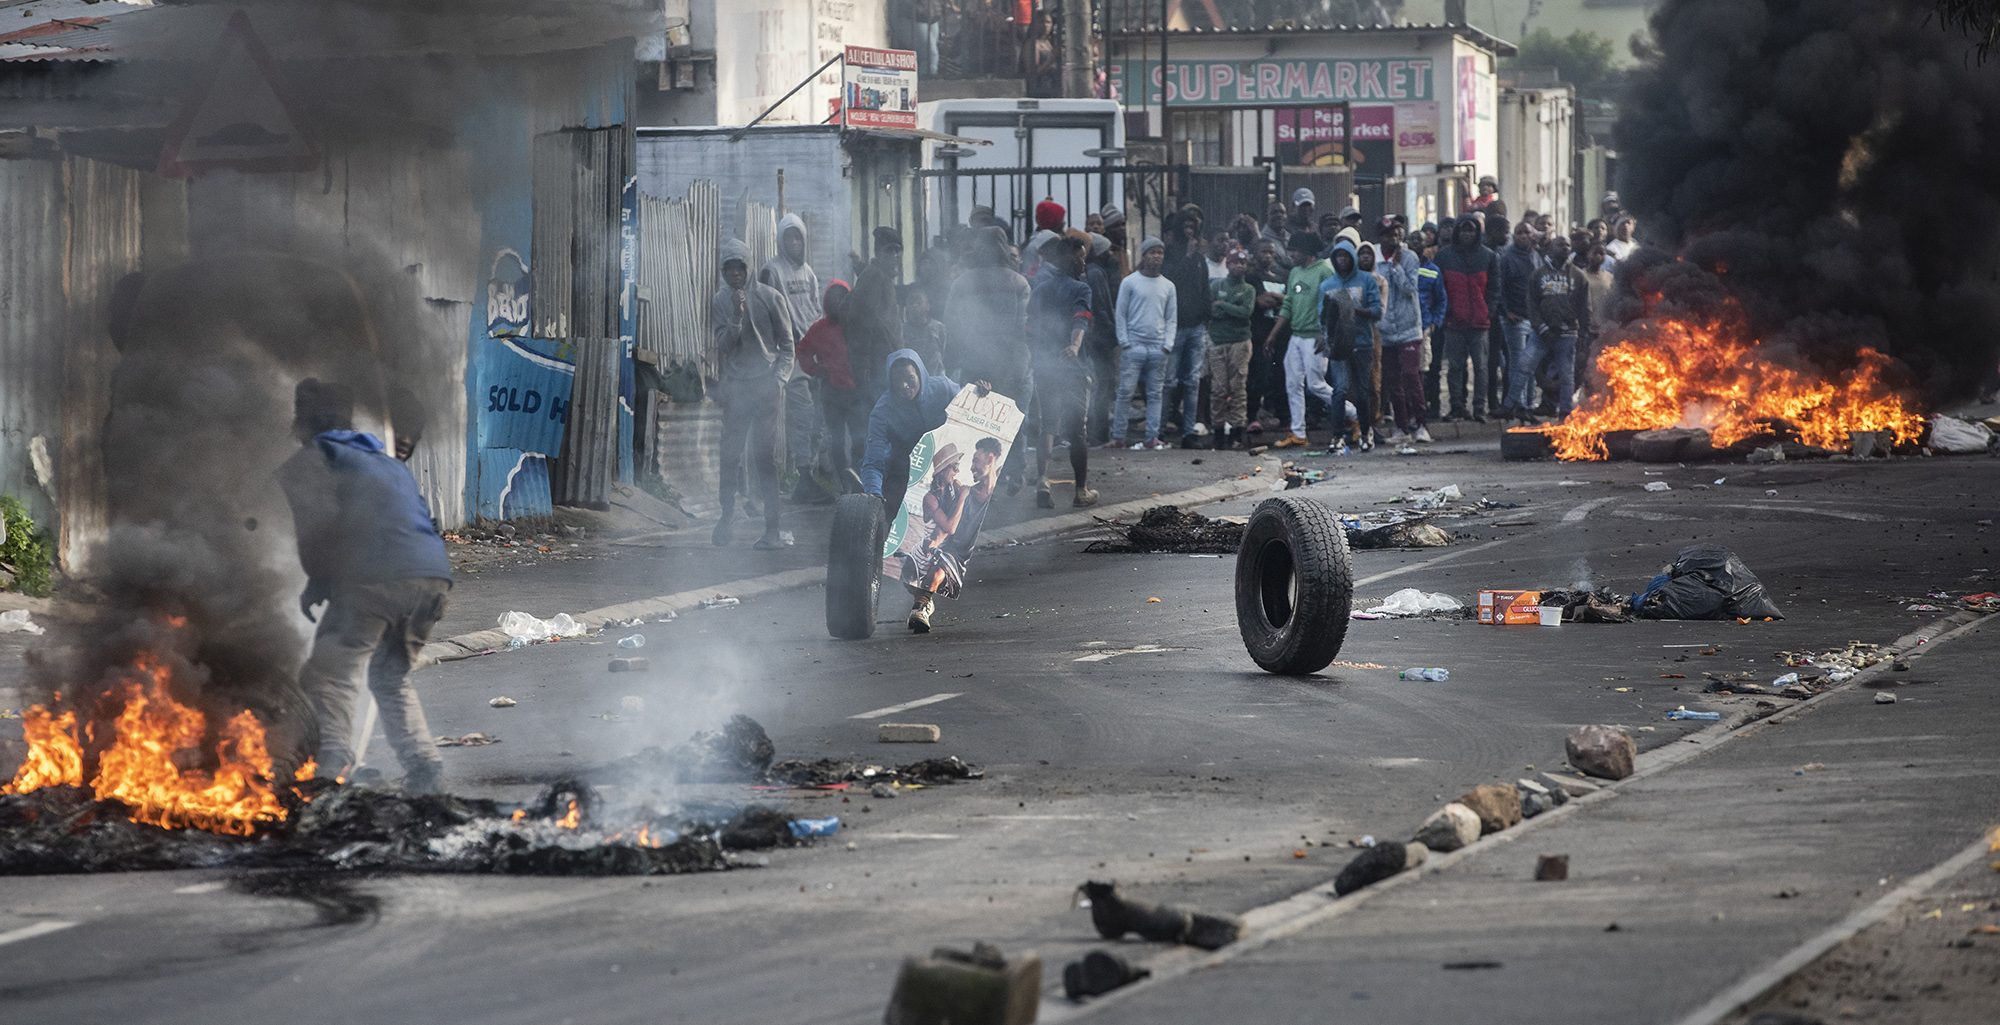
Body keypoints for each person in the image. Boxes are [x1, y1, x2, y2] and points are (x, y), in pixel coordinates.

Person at [280, 379, 453, 794]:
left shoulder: (313, 459)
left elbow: (314, 534)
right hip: (434, 578)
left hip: (378, 578)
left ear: (303, 419)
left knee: (329, 675)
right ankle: (424, 764)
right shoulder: (384, 460)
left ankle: (332, 767)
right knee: (390, 676)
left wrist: (319, 580)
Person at [712, 238, 796, 548]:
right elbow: (723, 346)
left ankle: (772, 530)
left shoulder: (771, 298)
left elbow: (787, 345)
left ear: (749, 267)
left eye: (740, 267)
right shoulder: (721, 301)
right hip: (737, 385)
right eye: (729, 268)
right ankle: (726, 517)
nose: (735, 273)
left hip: (765, 384)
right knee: (729, 454)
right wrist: (735, 315)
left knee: (765, 457)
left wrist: (779, 380)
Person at [945, 226, 1033, 489]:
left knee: (977, 420)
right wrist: (1022, 363)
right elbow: (1024, 328)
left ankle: (979, 479)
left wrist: (957, 357)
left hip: (974, 362)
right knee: (1010, 418)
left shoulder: (962, 282)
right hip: (1009, 363)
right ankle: (1014, 472)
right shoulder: (1018, 282)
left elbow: (952, 323)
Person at [1028, 230, 1099, 508]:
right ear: (1071, 259)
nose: (1084, 264)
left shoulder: (1041, 288)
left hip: (1045, 366)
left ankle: (1042, 481)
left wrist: (1036, 356)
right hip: (1072, 369)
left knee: (1048, 424)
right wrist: (1074, 347)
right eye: (1081, 259)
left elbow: (1029, 328)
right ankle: (1081, 491)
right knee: (1077, 430)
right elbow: (1080, 319)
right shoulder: (1081, 288)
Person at [760, 213, 827, 506]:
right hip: (790, 352)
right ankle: (804, 476)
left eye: (798, 236)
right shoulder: (772, 271)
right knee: (802, 413)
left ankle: (811, 474)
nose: (794, 242)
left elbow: (814, 310)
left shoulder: (809, 273)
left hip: (813, 351)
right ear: (781, 240)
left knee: (817, 417)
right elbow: (765, 313)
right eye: (789, 236)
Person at [1265, 233, 1338, 448]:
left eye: (1295, 251)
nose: (1291, 255)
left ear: (1307, 252)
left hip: (1315, 337)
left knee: (1316, 385)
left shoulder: (1325, 271)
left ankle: (1353, 414)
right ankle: (1298, 433)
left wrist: (1324, 333)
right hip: (1296, 336)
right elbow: (1288, 304)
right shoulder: (1295, 272)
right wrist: (1273, 334)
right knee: (1292, 384)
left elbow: (1333, 305)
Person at [797, 280, 867, 492]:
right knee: (836, 442)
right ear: (827, 302)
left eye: (843, 297)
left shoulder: (858, 326)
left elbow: (870, 350)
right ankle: (843, 484)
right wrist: (816, 370)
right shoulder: (819, 329)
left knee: (859, 440)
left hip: (856, 393)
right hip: (832, 393)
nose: (838, 302)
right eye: (833, 298)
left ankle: (858, 480)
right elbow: (802, 350)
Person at [1108, 236, 1175, 449]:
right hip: (1134, 345)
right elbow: (1121, 314)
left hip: (1158, 347)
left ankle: (1151, 437)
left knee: (1155, 394)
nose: (1157, 256)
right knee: (1125, 392)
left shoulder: (1168, 286)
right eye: (1152, 252)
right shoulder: (1129, 282)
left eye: (1160, 252)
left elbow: (1171, 317)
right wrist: (1125, 342)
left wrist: (1167, 344)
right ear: (1143, 256)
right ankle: (1118, 437)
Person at [1433, 216, 1498, 421]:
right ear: (1456, 233)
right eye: (1463, 231)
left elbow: (1495, 289)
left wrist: (1488, 310)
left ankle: (1479, 407)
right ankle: (1457, 406)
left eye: (1471, 231)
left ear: (1477, 233)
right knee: (1455, 366)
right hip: (1454, 321)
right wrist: (1445, 311)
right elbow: (1437, 288)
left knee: (1481, 367)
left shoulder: (1488, 256)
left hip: (1480, 321)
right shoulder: (1444, 256)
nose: (1467, 234)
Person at [1319, 237, 1381, 451]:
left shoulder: (1367, 280)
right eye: (1338, 256)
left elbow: (1377, 311)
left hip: (1362, 342)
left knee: (1362, 391)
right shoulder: (1327, 285)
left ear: (1352, 258)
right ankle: (1337, 435)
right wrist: (1325, 340)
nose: (1342, 260)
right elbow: (1323, 316)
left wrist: (1352, 312)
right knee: (1339, 390)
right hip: (1338, 346)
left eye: (1346, 256)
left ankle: (1365, 432)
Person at [1374, 219, 1429, 445]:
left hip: (1408, 329)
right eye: (1388, 235)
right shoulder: (1374, 259)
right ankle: (1402, 427)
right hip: (1386, 330)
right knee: (1393, 381)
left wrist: (1396, 267)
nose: (1393, 239)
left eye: (1397, 234)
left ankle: (1422, 424)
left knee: (1410, 375)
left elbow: (1409, 288)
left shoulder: (1409, 258)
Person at [1528, 233, 1591, 420]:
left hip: (1569, 332)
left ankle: (1565, 412)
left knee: (1566, 374)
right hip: (1542, 331)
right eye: (1560, 244)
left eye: (1567, 245)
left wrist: (1583, 332)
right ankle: (1518, 405)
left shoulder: (1578, 276)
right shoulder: (1539, 274)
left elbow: (1584, 308)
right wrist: (1541, 327)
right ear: (1551, 248)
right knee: (1527, 366)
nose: (1564, 248)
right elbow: (1532, 303)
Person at [1160, 212, 1211, 438]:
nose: (1189, 231)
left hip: (1196, 326)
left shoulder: (1200, 259)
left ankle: (1188, 432)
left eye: (1193, 227)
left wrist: (1206, 316)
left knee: (1193, 381)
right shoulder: (1170, 255)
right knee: (1168, 381)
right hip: (1176, 327)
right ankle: (1159, 429)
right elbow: (1172, 282)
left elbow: (1204, 288)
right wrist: (1187, 256)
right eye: (1186, 226)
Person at [1207, 244, 1256, 449]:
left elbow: (1245, 312)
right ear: (1227, 264)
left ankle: (1238, 432)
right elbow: (1211, 311)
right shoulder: (1216, 287)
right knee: (1218, 390)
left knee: (1238, 389)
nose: (1238, 266)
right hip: (1218, 342)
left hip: (1240, 342)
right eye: (1235, 262)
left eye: (1242, 262)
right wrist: (1229, 309)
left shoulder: (1248, 289)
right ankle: (1218, 431)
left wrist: (1223, 306)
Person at [847, 226, 905, 400]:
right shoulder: (874, 277)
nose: (894, 255)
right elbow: (858, 320)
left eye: (898, 250)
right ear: (879, 252)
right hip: (876, 363)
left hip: (887, 361)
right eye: (889, 250)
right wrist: (862, 361)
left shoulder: (882, 276)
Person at [1498, 220, 1546, 422]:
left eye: (1527, 233)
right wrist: (1506, 311)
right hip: (1515, 319)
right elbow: (1499, 287)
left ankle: (1528, 404)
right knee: (1518, 363)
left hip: (1533, 319)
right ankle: (1518, 405)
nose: (1523, 236)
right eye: (1519, 233)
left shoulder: (1536, 257)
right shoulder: (1507, 258)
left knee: (1531, 363)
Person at [1245, 238, 1291, 435]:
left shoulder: (1282, 276)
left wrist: (1281, 299)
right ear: (1255, 254)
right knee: (1260, 376)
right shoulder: (1251, 277)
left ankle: (1284, 418)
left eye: (1271, 252)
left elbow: (1289, 301)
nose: (1268, 256)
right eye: (1264, 252)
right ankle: (1252, 416)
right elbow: (1262, 301)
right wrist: (1283, 300)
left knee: (1281, 376)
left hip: (1282, 333)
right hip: (1259, 333)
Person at [1084, 233, 1122, 445]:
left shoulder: (1092, 272)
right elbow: (1101, 306)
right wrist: (1111, 330)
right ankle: (1098, 433)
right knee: (1103, 386)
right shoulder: (1096, 273)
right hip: (1101, 339)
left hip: (1095, 337)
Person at [1417, 231, 1448, 423]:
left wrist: (1436, 320)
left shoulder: (1433, 269)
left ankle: (1433, 406)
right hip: (1405, 327)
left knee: (1429, 368)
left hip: (1426, 326)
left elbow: (1441, 298)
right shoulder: (1402, 266)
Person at [900, 285, 947, 372]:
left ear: (927, 306)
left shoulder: (938, 328)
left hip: (936, 378)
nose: (915, 305)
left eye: (919, 303)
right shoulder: (901, 331)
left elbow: (946, 354)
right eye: (911, 303)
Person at [1099, 203, 1132, 277]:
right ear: (1107, 230)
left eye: (1123, 224)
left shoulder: (1122, 250)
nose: (1122, 228)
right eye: (1116, 226)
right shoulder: (1105, 254)